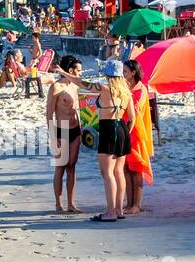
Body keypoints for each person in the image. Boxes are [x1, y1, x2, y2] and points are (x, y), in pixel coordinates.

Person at [90, 59, 131, 222]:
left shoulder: (105, 88)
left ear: (107, 74)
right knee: (118, 172)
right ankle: (119, 209)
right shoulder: (126, 91)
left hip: (109, 128)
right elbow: (132, 118)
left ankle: (110, 212)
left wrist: (64, 74)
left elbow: (83, 84)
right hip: (122, 128)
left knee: (107, 174)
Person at [45, 62, 82, 213]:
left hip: (75, 130)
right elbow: (49, 114)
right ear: (71, 70)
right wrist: (54, 138)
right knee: (60, 168)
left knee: (72, 168)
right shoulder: (56, 87)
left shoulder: (75, 85)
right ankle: (58, 204)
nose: (81, 72)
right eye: (79, 70)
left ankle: (71, 204)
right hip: (62, 130)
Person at [122, 59, 154, 214]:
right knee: (126, 169)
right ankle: (129, 203)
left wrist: (125, 94)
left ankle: (137, 204)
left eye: (126, 72)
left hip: (136, 133)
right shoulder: (125, 87)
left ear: (133, 72)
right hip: (125, 131)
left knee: (136, 169)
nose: (123, 74)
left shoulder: (141, 89)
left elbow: (134, 108)